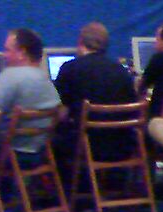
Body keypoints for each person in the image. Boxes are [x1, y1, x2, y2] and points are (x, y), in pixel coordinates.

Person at [52, 22, 135, 164]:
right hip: (123, 145)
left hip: (86, 147)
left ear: (80, 42)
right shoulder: (121, 70)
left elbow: (61, 112)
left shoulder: (70, 68)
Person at [0, 28, 60, 164]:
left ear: (22, 53)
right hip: (39, 155)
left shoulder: (11, 76)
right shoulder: (46, 82)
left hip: (9, 156)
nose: (4, 55)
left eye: (7, 50)